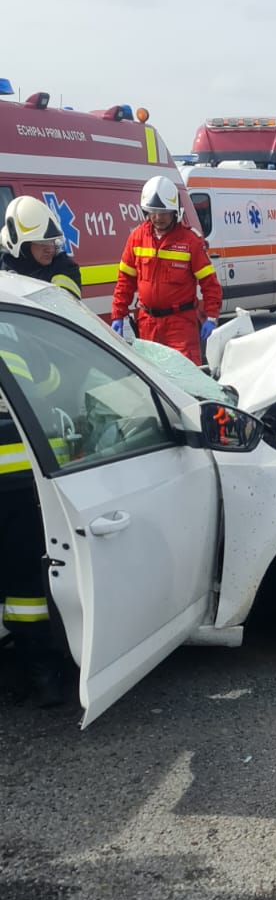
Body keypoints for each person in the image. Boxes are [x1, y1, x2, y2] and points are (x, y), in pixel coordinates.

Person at [0, 196, 83, 706]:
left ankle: (33, 668)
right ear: (17, 245)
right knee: (26, 579)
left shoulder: (51, 280)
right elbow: (52, 380)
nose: (49, 251)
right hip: (19, 475)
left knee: (19, 578)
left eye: (52, 243)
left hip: (18, 476)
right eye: (39, 245)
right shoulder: (16, 324)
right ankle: (40, 670)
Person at [111, 176, 222, 365]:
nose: (158, 218)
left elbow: (209, 284)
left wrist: (211, 317)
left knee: (184, 375)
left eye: (163, 213)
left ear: (174, 212)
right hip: (148, 323)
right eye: (153, 212)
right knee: (151, 375)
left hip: (180, 324)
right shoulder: (137, 238)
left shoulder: (190, 241)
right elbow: (125, 281)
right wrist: (118, 314)